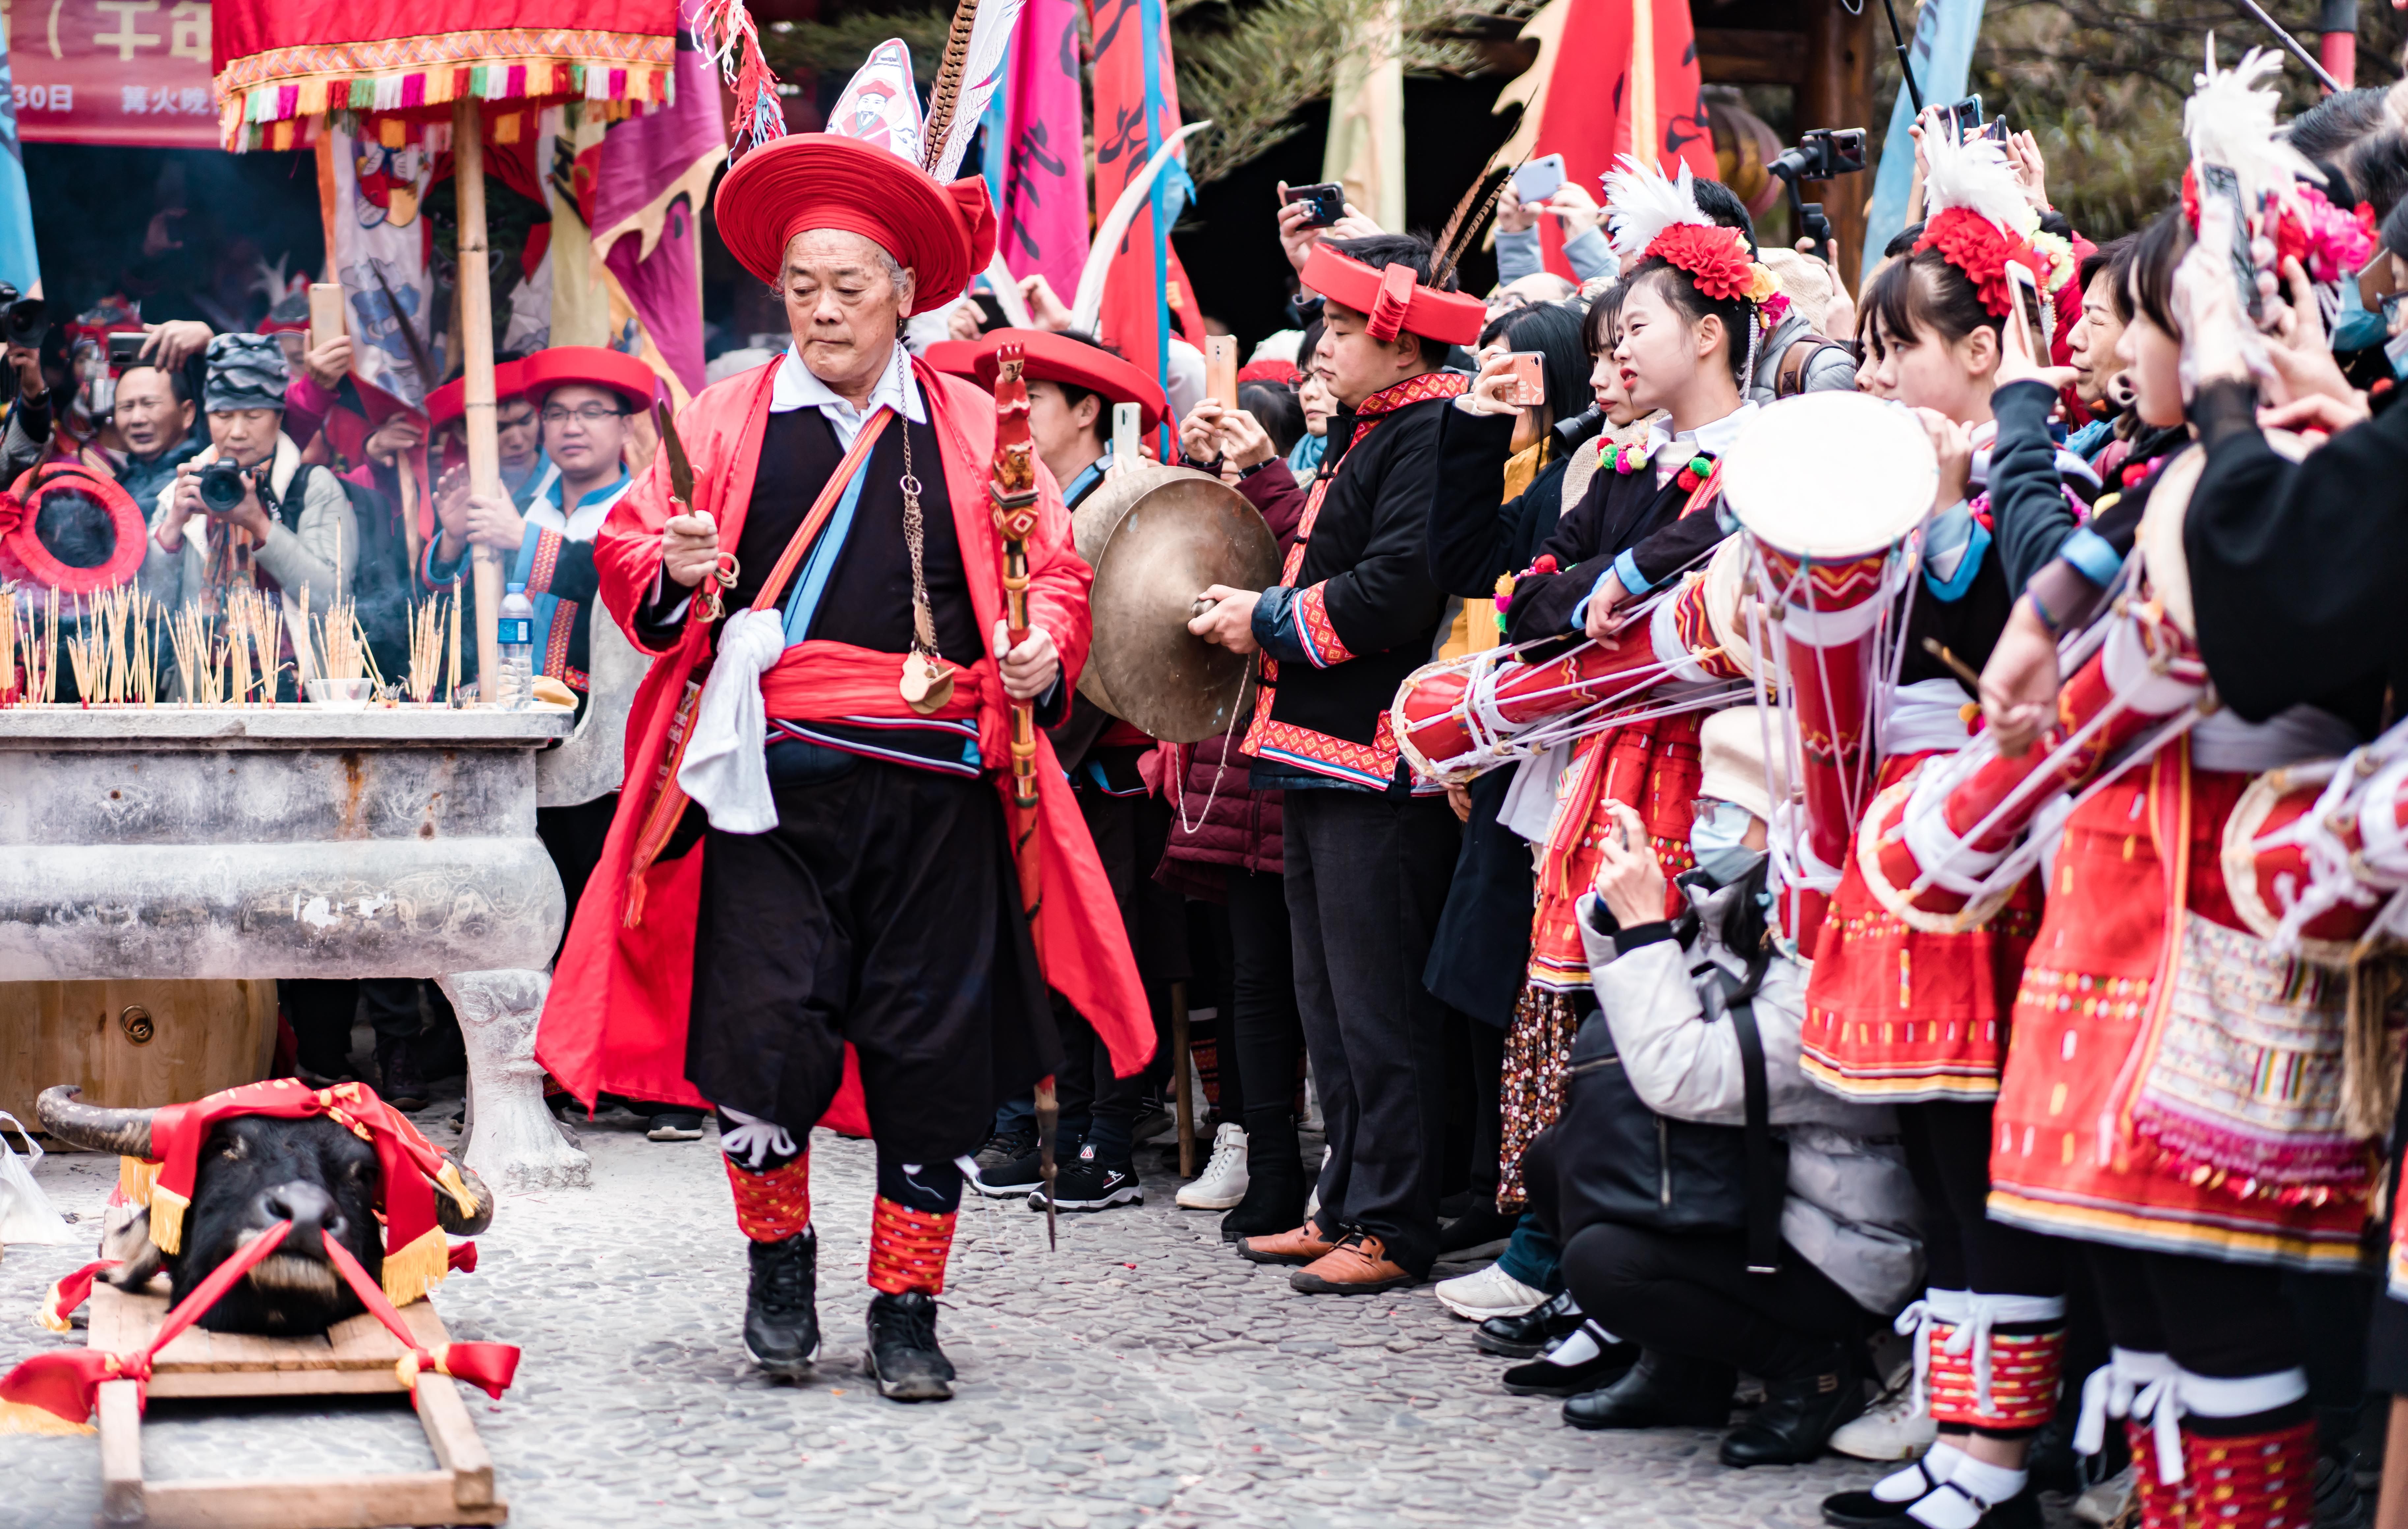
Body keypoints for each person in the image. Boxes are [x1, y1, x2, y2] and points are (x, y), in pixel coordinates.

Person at [533, 114, 1149, 1402]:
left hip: (938, 791)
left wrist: (1042, 645)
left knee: (933, 1053)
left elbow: (1055, 579)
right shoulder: (725, 413)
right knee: (765, 1035)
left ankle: (908, 1304)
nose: (821, 311)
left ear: (905, 296)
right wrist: (675, 570)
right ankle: (779, 1261)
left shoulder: (984, 430)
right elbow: (636, 552)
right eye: (801, 287)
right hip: (773, 786)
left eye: (849, 288)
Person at [1973, 197, 2377, 1529]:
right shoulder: (2188, 465)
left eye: (2139, 312)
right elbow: (2123, 536)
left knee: (2210, 1269)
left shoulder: (2308, 447)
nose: (2116, 339)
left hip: (2234, 904)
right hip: (2133, 888)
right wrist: (2045, 619)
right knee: (2136, 1252)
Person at [1799, 129, 2090, 1529]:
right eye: (1864, 351)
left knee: (1983, 1153)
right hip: (1917, 845)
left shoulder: (2039, 480)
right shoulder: (1901, 486)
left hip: (2004, 859)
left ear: (1985, 352)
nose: (1871, 377)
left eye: (1895, 347)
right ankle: (1964, 1436)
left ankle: (1997, 1455)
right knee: (1928, 1142)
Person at [1452, 156, 1778, 1331]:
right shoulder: (1628, 455)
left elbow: (1680, 577)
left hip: (1704, 767)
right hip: (1605, 753)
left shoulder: (1761, 461)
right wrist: (1622, 573)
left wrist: (1626, 575)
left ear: (1707, 329)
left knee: (1655, 998)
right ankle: (1559, 1251)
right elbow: (1534, 590)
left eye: (1636, 324)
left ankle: (1607, 1265)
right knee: (1575, 1003)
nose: (1619, 348)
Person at [1186, 229, 1483, 1295]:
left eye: (1345, 326)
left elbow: (1397, 589)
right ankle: (1346, 1203)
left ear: (1403, 343)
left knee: (1376, 1004)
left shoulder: (1431, 430)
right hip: (1314, 748)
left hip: (1374, 752)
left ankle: (1394, 1223)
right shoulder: (1374, 428)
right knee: (1327, 1002)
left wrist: (1264, 618)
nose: (1322, 344)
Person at [1538, 708, 1919, 1465]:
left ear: (1783, 830)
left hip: (1838, 1242)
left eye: (1725, 813)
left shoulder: (1815, 941)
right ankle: (1681, 1368)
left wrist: (1648, 934)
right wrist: (1626, 917)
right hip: (1767, 1199)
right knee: (1560, 1159)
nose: (1701, 826)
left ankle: (1813, 1371)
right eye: (1702, 807)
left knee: (1606, 1261)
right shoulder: (1735, 913)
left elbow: (1684, 1076)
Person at [955, 326, 1176, 1215]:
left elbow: (1155, 650)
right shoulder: (992, 496)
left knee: (1102, 948)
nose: (1009, 425)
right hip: (1014, 751)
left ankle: (1108, 1138)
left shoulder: (1136, 502)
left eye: (1031, 404)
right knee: (1023, 949)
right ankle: (1024, 1126)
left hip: (1103, 765)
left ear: (1087, 411)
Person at [1419, 296, 1602, 1292]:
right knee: (1485, 981)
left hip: (1567, 747)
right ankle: (1502, 1197)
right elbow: (1466, 563)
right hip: (1503, 747)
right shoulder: (1561, 462)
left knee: (1539, 994)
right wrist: (1474, 428)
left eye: (1518, 368)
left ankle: (1534, 1216)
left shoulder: (1621, 462)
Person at [141, 333, 357, 640]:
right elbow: (149, 607)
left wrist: (259, 524)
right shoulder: (187, 487)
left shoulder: (312, 487)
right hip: (205, 681)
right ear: (206, 417)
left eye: (254, 416)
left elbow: (333, 603)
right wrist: (172, 528)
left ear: (279, 415)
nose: (238, 432)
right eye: (223, 416)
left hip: (291, 681)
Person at [108, 356, 204, 511]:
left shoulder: (201, 481)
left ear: (187, 413)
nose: (137, 419)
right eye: (127, 407)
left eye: (149, 404)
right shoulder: (122, 482)